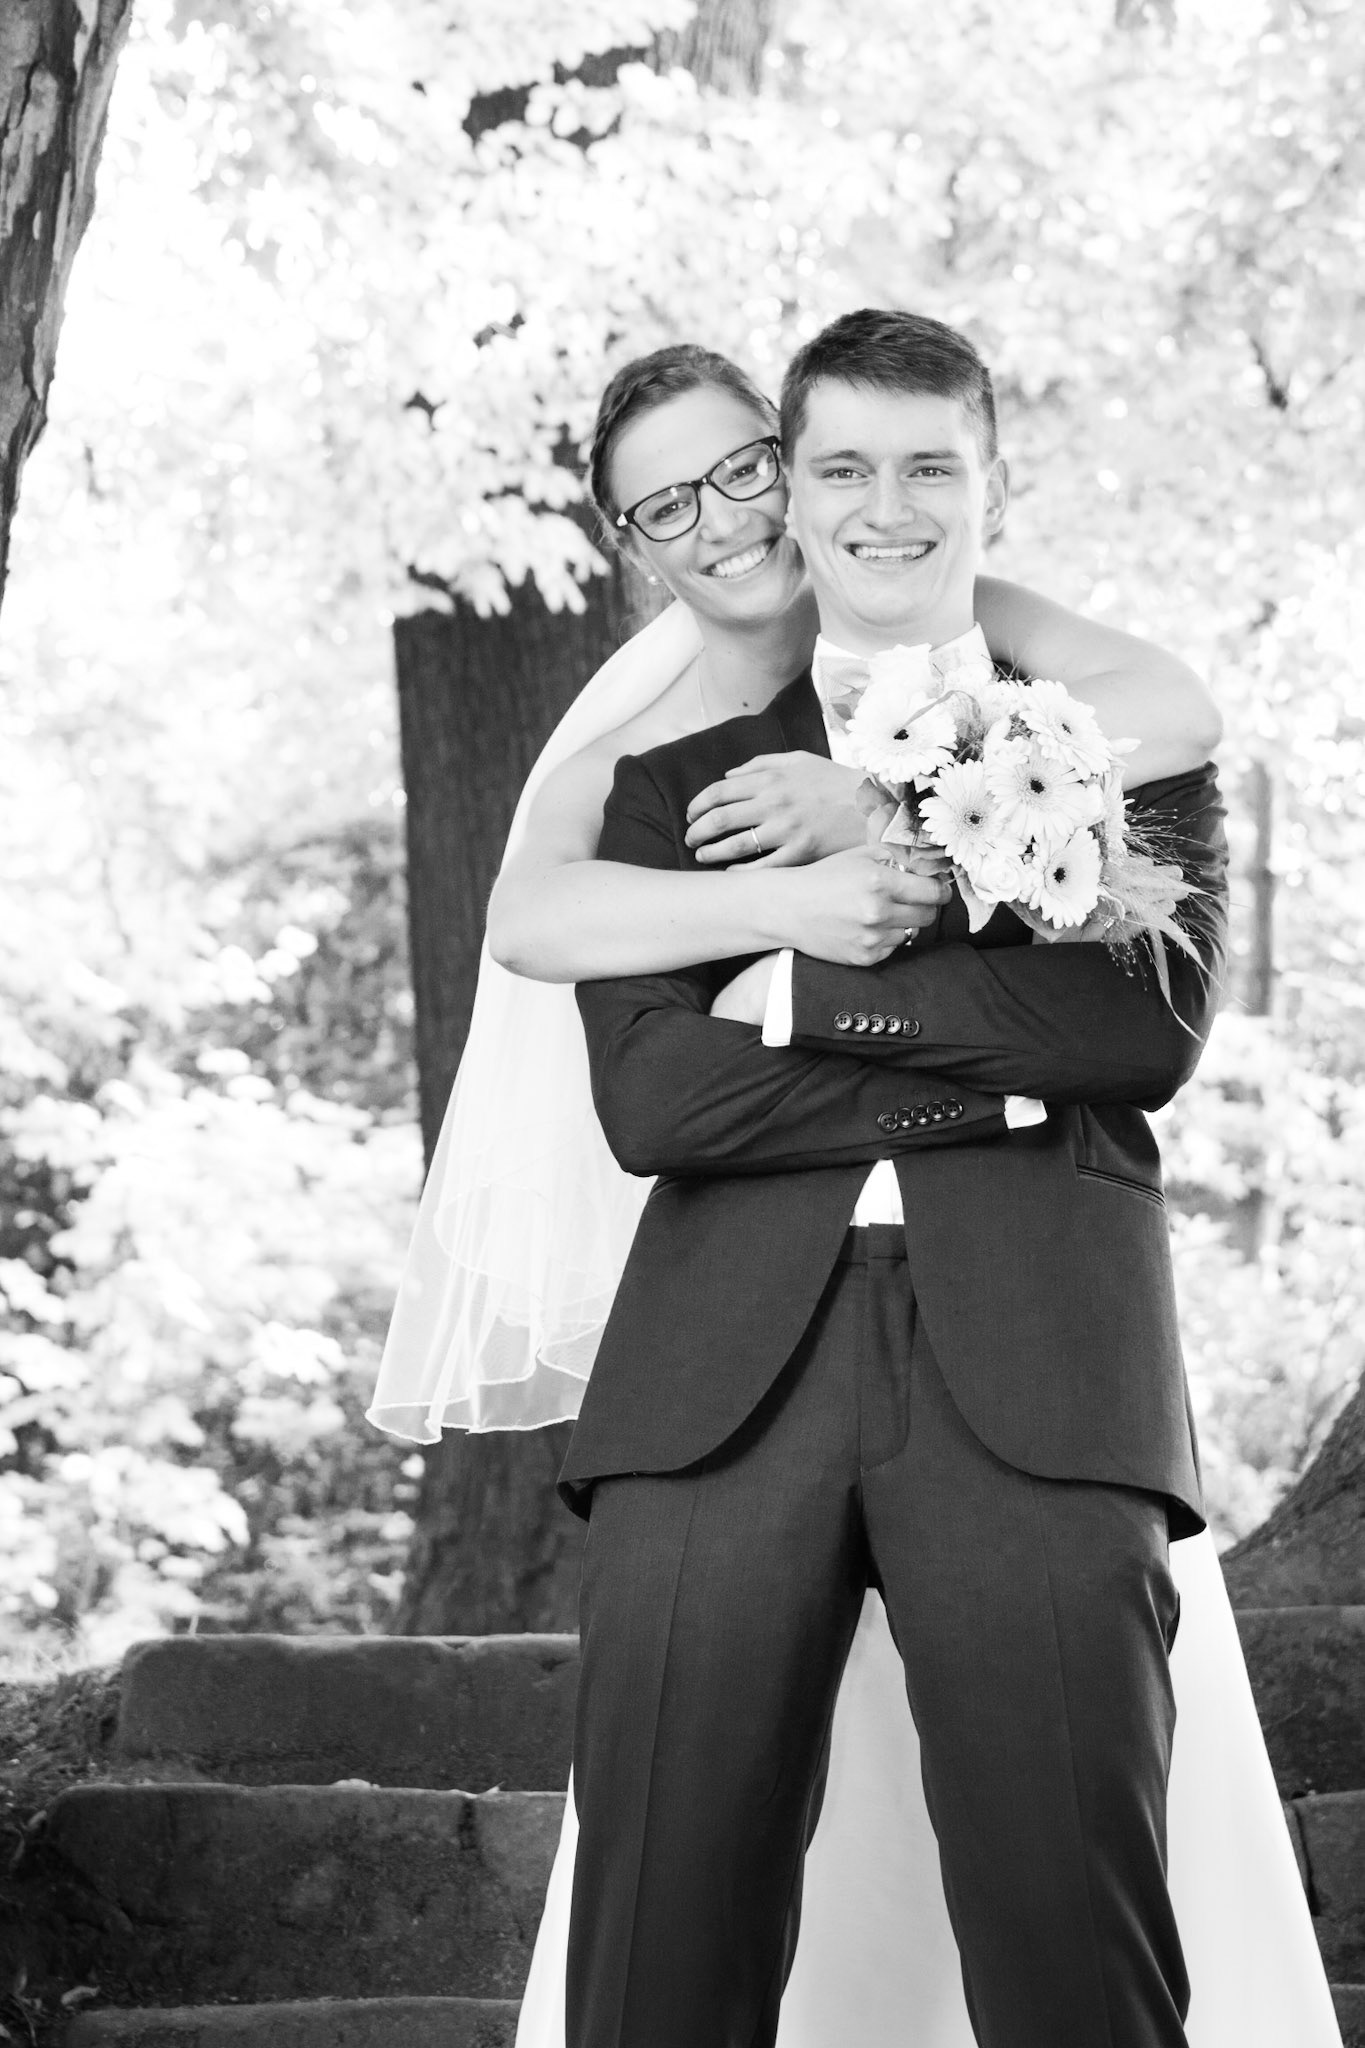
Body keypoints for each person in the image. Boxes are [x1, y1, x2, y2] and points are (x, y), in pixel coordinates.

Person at [368, 338, 1341, 2048]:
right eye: (840, 471)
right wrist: (996, 1077)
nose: (877, 507)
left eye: (924, 470)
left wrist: (797, 995)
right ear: (801, 495)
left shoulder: (1107, 746)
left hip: (1048, 1375)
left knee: (1076, 1943)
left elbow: (1129, 1033)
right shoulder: (667, 787)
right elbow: (658, 1101)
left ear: (987, 487)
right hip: (711, 1394)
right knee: (656, 1952)